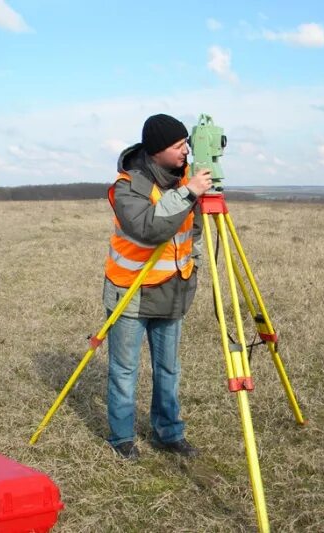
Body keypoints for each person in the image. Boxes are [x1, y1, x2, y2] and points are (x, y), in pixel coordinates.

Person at [103, 113, 213, 460]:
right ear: (156, 150)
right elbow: (148, 228)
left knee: (168, 368)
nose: (186, 151)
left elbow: (192, 229)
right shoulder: (128, 186)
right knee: (125, 370)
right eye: (179, 145)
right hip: (132, 292)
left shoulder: (189, 180)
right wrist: (188, 192)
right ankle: (122, 438)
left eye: (186, 144)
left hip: (172, 290)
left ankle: (169, 432)